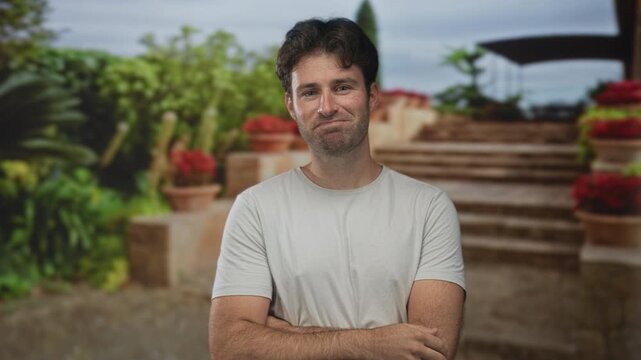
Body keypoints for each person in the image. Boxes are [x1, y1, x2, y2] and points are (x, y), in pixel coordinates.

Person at [209, 17, 465, 360]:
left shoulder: (429, 208)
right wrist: (373, 343)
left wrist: (280, 333)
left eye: (343, 87)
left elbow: (431, 350)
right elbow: (228, 347)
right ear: (291, 105)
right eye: (310, 92)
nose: (327, 107)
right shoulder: (256, 207)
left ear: (372, 96)